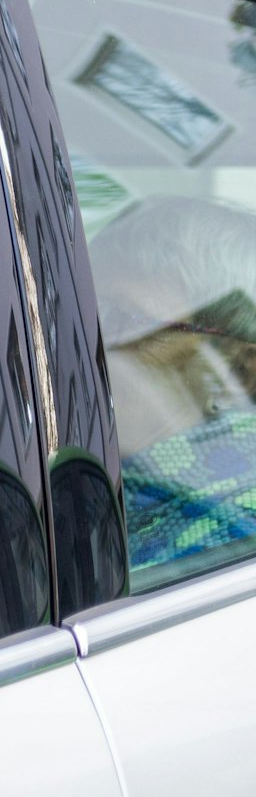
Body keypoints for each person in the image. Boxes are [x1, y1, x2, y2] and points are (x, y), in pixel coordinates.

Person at [92, 196, 256, 571]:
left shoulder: (224, 533)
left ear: (238, 373)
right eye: (86, 313)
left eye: (121, 319)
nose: (89, 342)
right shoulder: (111, 479)